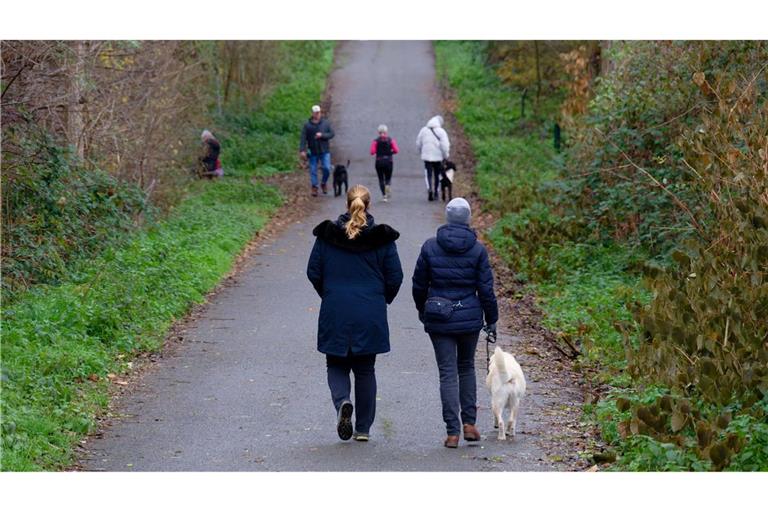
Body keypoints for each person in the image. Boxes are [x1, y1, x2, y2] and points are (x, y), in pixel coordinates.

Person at [307, 185, 403, 442]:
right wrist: (382, 299)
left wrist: (328, 293)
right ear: (368, 205)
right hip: (369, 311)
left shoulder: (328, 236)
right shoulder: (382, 239)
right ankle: (363, 429)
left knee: (336, 362)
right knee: (365, 369)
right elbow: (395, 277)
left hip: (335, 308)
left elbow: (313, 271)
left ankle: (342, 402)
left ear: (346, 203)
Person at [411, 197, 498, 448]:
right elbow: (486, 289)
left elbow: (419, 284)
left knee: (447, 373)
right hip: (469, 317)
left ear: (447, 218)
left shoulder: (430, 247)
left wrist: (422, 309)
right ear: (468, 219)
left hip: (439, 317)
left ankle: (452, 432)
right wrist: (491, 319)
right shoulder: (477, 250)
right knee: (466, 367)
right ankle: (469, 424)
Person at [299, 105, 335, 197]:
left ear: (320, 112)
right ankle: (314, 186)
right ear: (312, 113)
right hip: (313, 150)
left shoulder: (325, 123)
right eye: (315, 113)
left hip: (324, 150)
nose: (317, 114)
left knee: (326, 168)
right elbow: (303, 138)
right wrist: (302, 150)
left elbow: (331, 134)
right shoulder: (307, 125)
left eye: (318, 112)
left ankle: (323, 182)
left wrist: (322, 135)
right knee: (313, 170)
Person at [416, 115, 450, 201]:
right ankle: (436, 191)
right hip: (438, 157)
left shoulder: (423, 130)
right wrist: (446, 156)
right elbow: (445, 145)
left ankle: (429, 188)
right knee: (437, 175)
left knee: (428, 174)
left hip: (427, 156)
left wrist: (421, 152)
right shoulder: (441, 131)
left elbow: (418, 143)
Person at [369, 124, 399, 202]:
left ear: (378, 132)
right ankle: (388, 185)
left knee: (381, 179)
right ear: (386, 132)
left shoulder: (375, 141)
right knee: (388, 178)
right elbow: (396, 150)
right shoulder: (391, 140)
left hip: (379, 161)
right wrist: (391, 152)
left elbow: (372, 152)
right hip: (389, 161)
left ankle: (384, 196)